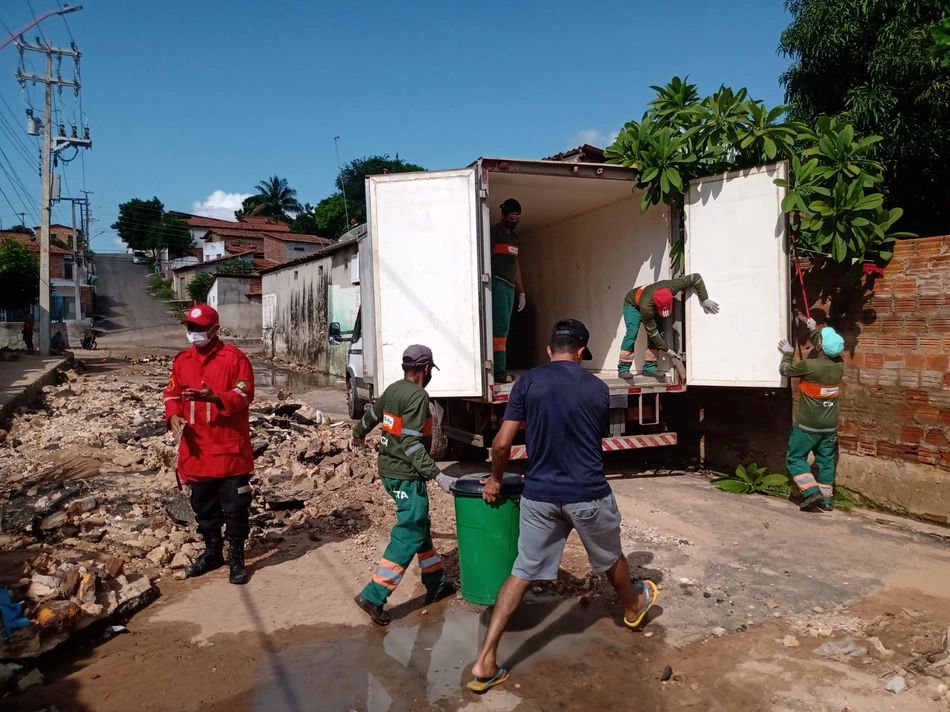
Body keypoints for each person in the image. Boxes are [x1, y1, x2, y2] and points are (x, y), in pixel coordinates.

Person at [468, 319, 659, 693]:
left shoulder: (527, 382)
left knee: (522, 570)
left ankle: (486, 660)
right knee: (610, 556)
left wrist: (494, 479)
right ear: (583, 351)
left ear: (548, 349)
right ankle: (634, 607)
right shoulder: (598, 389)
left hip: (539, 496)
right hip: (587, 493)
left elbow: (502, 445)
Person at [351, 344, 457, 625]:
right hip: (405, 476)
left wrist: (357, 435)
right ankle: (373, 596)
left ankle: (436, 583)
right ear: (425, 369)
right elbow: (411, 445)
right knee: (409, 532)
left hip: (388, 470)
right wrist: (439, 476)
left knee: (419, 525)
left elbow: (372, 416)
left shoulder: (394, 389)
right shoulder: (419, 396)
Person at [163, 304, 255, 585]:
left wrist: (216, 398)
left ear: (215, 330)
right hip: (196, 450)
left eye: (199, 329)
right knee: (203, 507)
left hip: (229, 450)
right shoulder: (182, 361)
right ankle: (213, 552)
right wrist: (174, 416)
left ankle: (237, 558)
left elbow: (244, 394)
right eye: (190, 328)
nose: (193, 333)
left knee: (236, 508)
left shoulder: (235, 359)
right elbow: (171, 394)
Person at [779, 320, 845, 512]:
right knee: (825, 461)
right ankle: (826, 500)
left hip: (808, 425)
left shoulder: (809, 365)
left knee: (795, 458)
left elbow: (785, 370)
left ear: (819, 347)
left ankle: (811, 492)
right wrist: (813, 330)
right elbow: (825, 346)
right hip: (830, 426)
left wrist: (788, 354)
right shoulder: (839, 365)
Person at [617, 273, 719, 380]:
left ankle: (649, 368)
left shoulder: (672, 286)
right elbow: (652, 332)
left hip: (650, 301)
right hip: (633, 305)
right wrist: (668, 350)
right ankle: (623, 369)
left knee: (660, 332)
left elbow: (695, 277)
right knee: (632, 333)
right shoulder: (646, 307)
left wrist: (705, 299)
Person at [491, 198, 527, 384]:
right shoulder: (494, 234)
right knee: (499, 328)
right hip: (497, 283)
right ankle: (499, 370)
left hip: (510, 287)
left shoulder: (514, 238)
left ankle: (501, 367)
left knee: (505, 329)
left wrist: (521, 292)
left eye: (517, 217)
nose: (514, 220)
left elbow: (516, 266)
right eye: (512, 216)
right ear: (503, 215)